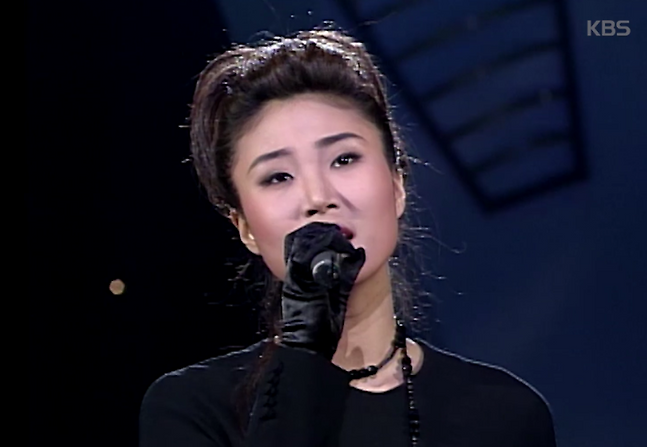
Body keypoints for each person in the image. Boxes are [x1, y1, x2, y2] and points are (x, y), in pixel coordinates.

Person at [139, 28, 557, 447]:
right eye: (278, 176)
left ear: (396, 184)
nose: (317, 197)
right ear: (244, 226)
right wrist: (307, 342)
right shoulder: (193, 410)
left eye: (344, 159)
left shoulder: (505, 414)